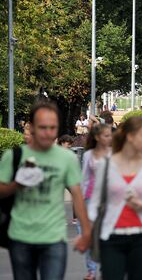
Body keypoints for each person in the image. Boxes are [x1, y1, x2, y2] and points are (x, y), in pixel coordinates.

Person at [0, 102, 91, 280]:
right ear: (31, 127)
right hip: (21, 236)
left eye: (53, 128)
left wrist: (86, 232)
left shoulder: (66, 158)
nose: (48, 133)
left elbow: (77, 194)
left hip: (54, 237)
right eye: (43, 127)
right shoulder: (14, 156)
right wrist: (18, 184)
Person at [87, 116, 142, 280]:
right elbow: (94, 204)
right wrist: (89, 232)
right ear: (130, 136)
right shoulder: (106, 165)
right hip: (111, 235)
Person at [79, 123, 112, 279]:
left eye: (110, 135)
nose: (109, 138)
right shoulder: (88, 155)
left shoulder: (115, 154)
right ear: (97, 137)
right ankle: (91, 270)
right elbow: (84, 178)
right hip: (90, 199)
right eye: (106, 135)